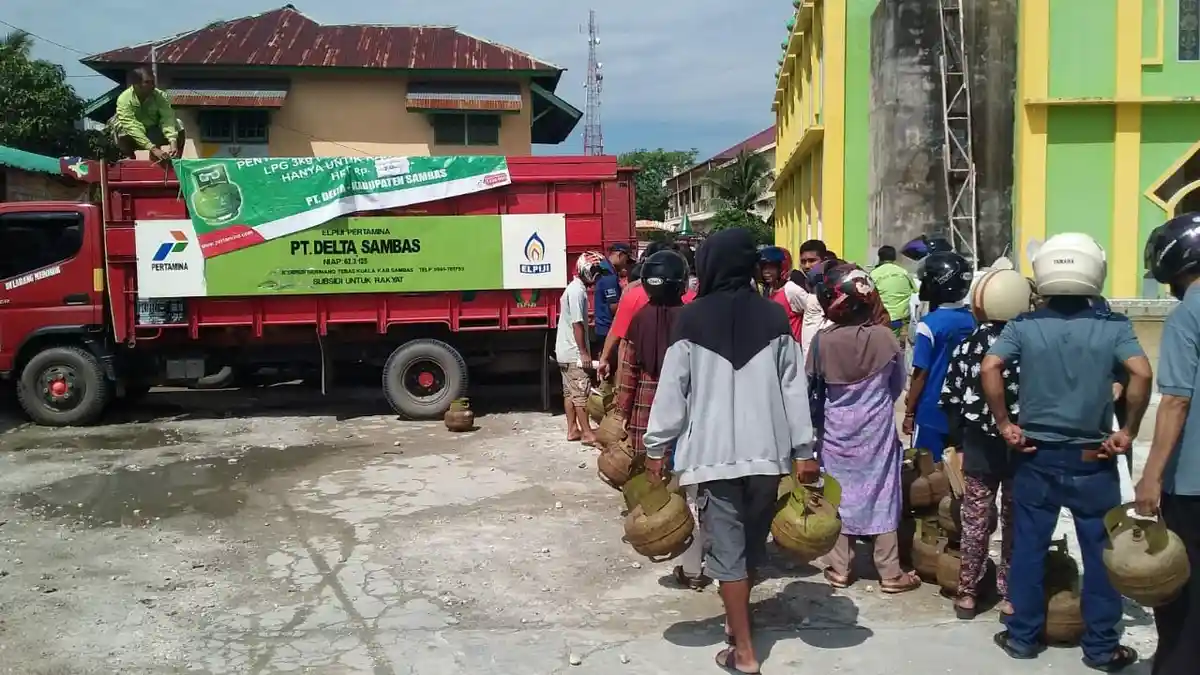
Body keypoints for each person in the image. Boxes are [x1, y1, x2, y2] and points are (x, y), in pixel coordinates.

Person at [643, 228, 817, 674]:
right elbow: (794, 389)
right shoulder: (775, 318)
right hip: (768, 453)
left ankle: (743, 651)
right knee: (750, 547)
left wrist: (657, 446)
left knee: (728, 551)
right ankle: (736, 627)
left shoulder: (692, 319)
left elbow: (672, 390)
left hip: (712, 455)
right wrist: (804, 450)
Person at [983, 232, 1152, 670]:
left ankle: (1022, 638)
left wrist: (1005, 424)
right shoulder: (1114, 326)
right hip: (1092, 460)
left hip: (1035, 456)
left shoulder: (1024, 326)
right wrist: (1128, 430)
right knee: (1100, 554)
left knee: (1028, 549)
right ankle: (1100, 647)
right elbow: (1141, 373)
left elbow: (991, 365)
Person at [808, 262, 919, 593]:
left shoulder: (821, 343)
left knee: (837, 495)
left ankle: (840, 568)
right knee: (883, 493)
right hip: (877, 430)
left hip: (835, 430)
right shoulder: (885, 338)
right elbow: (898, 385)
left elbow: (812, 391)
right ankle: (890, 573)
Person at [939, 268, 1033, 620]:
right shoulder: (1029, 344)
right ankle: (1010, 596)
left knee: (975, 521)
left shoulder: (968, 345)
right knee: (1014, 521)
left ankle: (967, 594)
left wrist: (957, 443)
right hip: (1021, 446)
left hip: (978, 445)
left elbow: (949, 399)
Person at [613, 250, 709, 589]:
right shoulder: (695, 319)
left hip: (648, 414)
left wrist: (621, 415)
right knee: (692, 490)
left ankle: (683, 558)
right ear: (681, 282)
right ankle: (698, 564)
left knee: (665, 490)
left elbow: (628, 376)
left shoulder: (639, 320)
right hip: (691, 414)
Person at [1138, 213, 1200, 675]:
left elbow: (1176, 401)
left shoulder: (1187, 315)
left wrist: (1151, 476)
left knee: (1180, 588)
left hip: (1192, 483)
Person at [903, 251, 976, 462]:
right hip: (964, 408)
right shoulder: (974, 319)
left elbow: (921, 373)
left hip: (931, 409)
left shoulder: (929, 324)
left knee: (927, 476)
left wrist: (909, 413)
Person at [597, 243, 697, 379]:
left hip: (645, 383)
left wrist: (604, 358)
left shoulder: (632, 296)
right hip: (683, 381)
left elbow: (617, 333)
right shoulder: (693, 300)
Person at [555, 251, 608, 446]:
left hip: (564, 351)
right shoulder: (577, 291)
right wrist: (584, 353)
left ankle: (573, 430)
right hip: (573, 353)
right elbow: (577, 323)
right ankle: (586, 433)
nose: (596, 275)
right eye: (594, 270)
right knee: (581, 393)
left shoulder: (574, 288)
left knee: (569, 393)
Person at [111, 67, 185, 163]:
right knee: (120, 126)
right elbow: (131, 126)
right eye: (147, 82)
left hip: (155, 132)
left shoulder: (161, 96)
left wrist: (173, 141)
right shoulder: (124, 99)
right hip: (134, 136)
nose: (152, 85)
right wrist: (153, 149)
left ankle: (176, 158)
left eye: (152, 82)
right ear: (136, 84)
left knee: (179, 124)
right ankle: (128, 155)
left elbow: (168, 118)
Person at [870, 245, 919, 344]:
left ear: (879, 257)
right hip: (900, 318)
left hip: (881, 318)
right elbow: (915, 290)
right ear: (894, 258)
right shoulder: (903, 272)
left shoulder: (874, 274)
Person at [593, 243, 632, 362]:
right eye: (627, 259)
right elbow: (614, 308)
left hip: (603, 328)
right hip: (608, 329)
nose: (627, 264)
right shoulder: (609, 277)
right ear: (620, 255)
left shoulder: (607, 271)